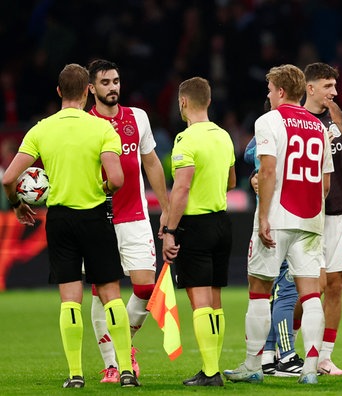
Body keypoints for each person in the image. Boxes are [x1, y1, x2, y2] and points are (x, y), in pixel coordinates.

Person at [1, 63, 138, 388]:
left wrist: (18, 203)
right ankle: (127, 371)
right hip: (94, 217)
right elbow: (117, 179)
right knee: (111, 295)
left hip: (60, 219)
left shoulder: (41, 129)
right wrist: (102, 189)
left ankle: (76, 374)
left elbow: (8, 177)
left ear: (60, 92)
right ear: (88, 90)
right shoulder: (102, 129)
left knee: (70, 299)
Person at [224, 64, 332, 385]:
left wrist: (264, 216)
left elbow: (267, 170)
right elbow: (325, 185)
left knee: (259, 289)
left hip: (278, 217)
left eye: (270, 89)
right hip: (311, 218)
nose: (268, 95)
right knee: (310, 294)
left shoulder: (268, 121)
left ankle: (253, 365)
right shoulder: (319, 127)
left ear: (281, 91)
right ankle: (309, 370)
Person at [85, 59, 170, 383]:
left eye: (116, 81)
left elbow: (151, 163)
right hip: (99, 218)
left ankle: (125, 345)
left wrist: (166, 210)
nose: (113, 87)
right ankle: (112, 363)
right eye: (105, 82)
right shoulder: (84, 123)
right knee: (100, 291)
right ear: (92, 88)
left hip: (135, 214)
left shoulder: (138, 117)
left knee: (146, 287)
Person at [162, 76, 236, 387]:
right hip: (222, 222)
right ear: (208, 101)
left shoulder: (185, 140)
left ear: (183, 103)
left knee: (200, 300)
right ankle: (212, 366)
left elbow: (181, 188)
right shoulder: (224, 136)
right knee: (215, 301)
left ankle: (209, 373)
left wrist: (169, 230)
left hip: (196, 225)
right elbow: (231, 182)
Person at [302, 62, 342, 376]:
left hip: (341, 212)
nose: (335, 92)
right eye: (328, 86)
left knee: (336, 286)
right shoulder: (296, 121)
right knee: (313, 286)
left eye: (335, 86)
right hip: (307, 216)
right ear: (310, 88)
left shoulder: (341, 120)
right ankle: (288, 350)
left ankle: (325, 357)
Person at [244, 132, 304, 377]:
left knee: (268, 291)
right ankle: (286, 355)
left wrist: (254, 173)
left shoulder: (264, 133)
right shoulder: (288, 128)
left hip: (271, 217)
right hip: (285, 219)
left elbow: (251, 155)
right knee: (286, 292)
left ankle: (266, 356)